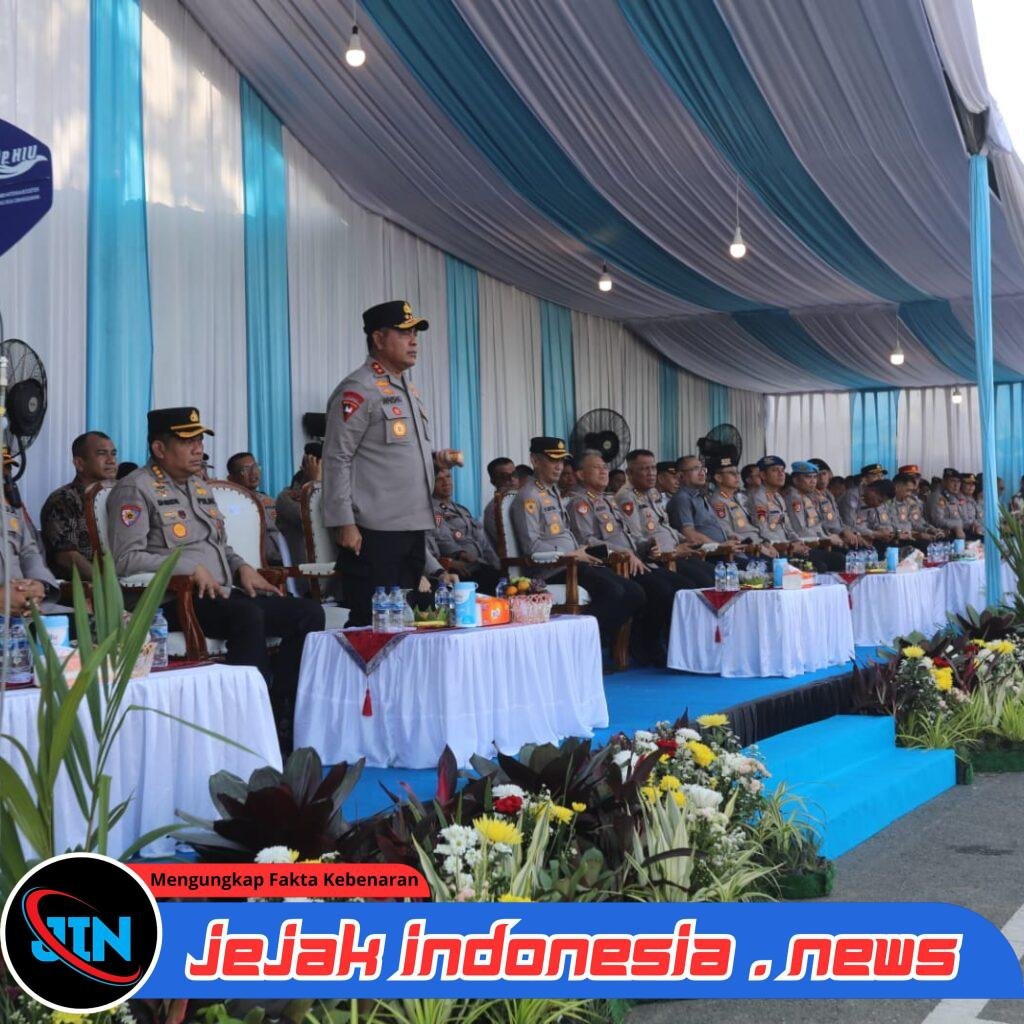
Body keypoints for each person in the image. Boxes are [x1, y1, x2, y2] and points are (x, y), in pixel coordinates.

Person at [107, 408, 326, 738]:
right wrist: (188, 568)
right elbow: (125, 560)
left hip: (221, 594)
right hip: (170, 602)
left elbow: (220, 546)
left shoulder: (199, 486)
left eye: (199, 440)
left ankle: (283, 711)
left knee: (307, 613)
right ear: (159, 448)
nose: (198, 449)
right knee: (247, 615)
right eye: (188, 441)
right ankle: (247, 723)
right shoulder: (135, 489)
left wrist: (242, 567)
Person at [322, 300, 461, 627]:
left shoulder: (408, 390)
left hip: (412, 527)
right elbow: (337, 456)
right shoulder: (359, 388)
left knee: (407, 625)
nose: (414, 341)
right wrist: (344, 521)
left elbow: (395, 455)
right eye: (404, 333)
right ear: (378, 339)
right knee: (370, 626)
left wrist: (436, 460)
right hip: (374, 531)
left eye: (415, 334)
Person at [510, 436, 644, 654]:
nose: (559, 466)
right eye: (552, 460)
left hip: (574, 562)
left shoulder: (552, 492)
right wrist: (570, 555)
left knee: (634, 592)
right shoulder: (529, 496)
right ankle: (577, 650)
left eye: (561, 461)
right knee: (614, 591)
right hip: (553, 569)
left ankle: (591, 645)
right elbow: (531, 547)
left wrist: (577, 554)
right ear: (535, 460)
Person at [568, 450, 700, 665]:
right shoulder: (580, 503)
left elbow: (628, 534)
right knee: (658, 589)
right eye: (597, 468)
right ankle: (641, 643)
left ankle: (665, 644)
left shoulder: (607, 500)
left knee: (682, 586)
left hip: (634, 559)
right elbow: (587, 540)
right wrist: (623, 553)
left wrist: (647, 545)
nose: (604, 472)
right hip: (613, 563)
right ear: (581, 474)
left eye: (605, 467)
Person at [614, 450, 715, 586]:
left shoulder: (652, 492)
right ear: (629, 473)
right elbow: (635, 539)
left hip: (676, 553)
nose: (651, 473)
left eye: (653, 468)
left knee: (715, 574)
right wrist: (673, 550)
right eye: (644, 469)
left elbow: (664, 525)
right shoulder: (626, 497)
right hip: (658, 559)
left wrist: (685, 540)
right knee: (698, 582)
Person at [40, 431, 119, 581]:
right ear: (79, 463)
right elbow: (66, 557)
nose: (111, 460)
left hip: (121, 580)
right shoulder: (63, 500)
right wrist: (107, 584)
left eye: (113, 454)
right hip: (85, 587)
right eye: (102, 454)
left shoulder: (121, 495)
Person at [746, 456, 834, 571]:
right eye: (775, 470)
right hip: (774, 550)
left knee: (829, 562)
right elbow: (762, 531)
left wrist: (797, 541)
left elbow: (788, 528)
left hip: (789, 547)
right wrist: (789, 544)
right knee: (821, 566)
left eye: (782, 470)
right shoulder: (758, 497)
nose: (781, 474)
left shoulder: (777, 497)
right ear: (763, 475)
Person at [427, 466, 502, 594]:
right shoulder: (434, 512)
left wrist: (498, 566)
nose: (446, 482)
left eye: (448, 477)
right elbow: (442, 538)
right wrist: (460, 553)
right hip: (461, 569)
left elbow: (482, 540)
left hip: (481, 564)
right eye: (439, 479)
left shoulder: (461, 509)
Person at [707, 455, 777, 558]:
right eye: (731, 473)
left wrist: (766, 543)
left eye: (737, 472)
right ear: (718, 478)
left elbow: (756, 525)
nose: (737, 476)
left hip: (760, 544)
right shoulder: (718, 502)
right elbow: (728, 533)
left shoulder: (739, 498)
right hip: (746, 551)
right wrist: (758, 547)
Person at [784, 461, 846, 569]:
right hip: (803, 546)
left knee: (846, 555)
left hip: (815, 543)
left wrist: (829, 536)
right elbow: (800, 530)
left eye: (814, 477)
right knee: (838, 559)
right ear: (796, 480)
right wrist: (826, 538)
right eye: (808, 477)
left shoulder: (807, 497)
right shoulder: (794, 499)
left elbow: (818, 525)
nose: (813, 481)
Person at [227, 451, 283, 566]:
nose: (254, 472)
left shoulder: (267, 499)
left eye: (255, 466)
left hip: (279, 560)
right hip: (250, 563)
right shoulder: (229, 503)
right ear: (231, 478)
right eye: (246, 469)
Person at [275, 443, 322, 570]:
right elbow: (315, 521)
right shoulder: (286, 498)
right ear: (306, 468)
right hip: (306, 573)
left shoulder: (333, 493)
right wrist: (316, 483)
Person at [667, 454, 730, 545]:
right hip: (707, 552)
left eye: (703, 469)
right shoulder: (682, 499)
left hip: (722, 549)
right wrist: (720, 546)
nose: (702, 473)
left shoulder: (700, 496)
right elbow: (689, 535)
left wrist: (729, 538)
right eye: (696, 469)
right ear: (681, 476)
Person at [809, 458, 866, 549]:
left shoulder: (828, 495)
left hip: (839, 536)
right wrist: (841, 533)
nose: (822, 478)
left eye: (824, 473)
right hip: (826, 540)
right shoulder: (810, 497)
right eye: (817, 475)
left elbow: (838, 521)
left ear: (829, 474)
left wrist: (854, 533)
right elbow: (818, 525)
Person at [890, 471, 941, 546]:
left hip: (909, 538)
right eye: (908, 490)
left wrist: (929, 530)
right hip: (895, 540)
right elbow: (892, 528)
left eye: (911, 491)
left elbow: (916, 522)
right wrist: (915, 534)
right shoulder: (887, 504)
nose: (909, 494)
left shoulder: (908, 503)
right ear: (897, 487)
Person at [482, 456, 516, 548]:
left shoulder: (527, 498)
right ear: (493, 481)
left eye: (514, 474)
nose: (512, 479)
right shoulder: (492, 511)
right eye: (504, 476)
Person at [839, 464, 887, 528]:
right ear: (864, 479)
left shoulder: (880, 495)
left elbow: (884, 522)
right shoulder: (852, 496)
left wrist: (885, 530)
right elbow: (851, 524)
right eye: (875, 476)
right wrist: (874, 533)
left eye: (881, 476)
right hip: (858, 533)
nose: (880, 479)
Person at [927, 468, 965, 540]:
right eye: (953, 481)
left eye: (958, 482)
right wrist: (956, 525)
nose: (956, 485)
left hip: (955, 533)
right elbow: (937, 521)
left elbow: (961, 517)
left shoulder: (953, 497)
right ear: (944, 481)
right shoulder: (937, 497)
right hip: (939, 537)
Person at [958, 473, 983, 539]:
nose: (971, 486)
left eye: (973, 484)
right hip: (963, 534)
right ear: (961, 484)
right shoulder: (957, 499)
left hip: (975, 532)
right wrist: (975, 525)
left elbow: (979, 517)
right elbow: (964, 521)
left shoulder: (972, 499)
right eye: (968, 483)